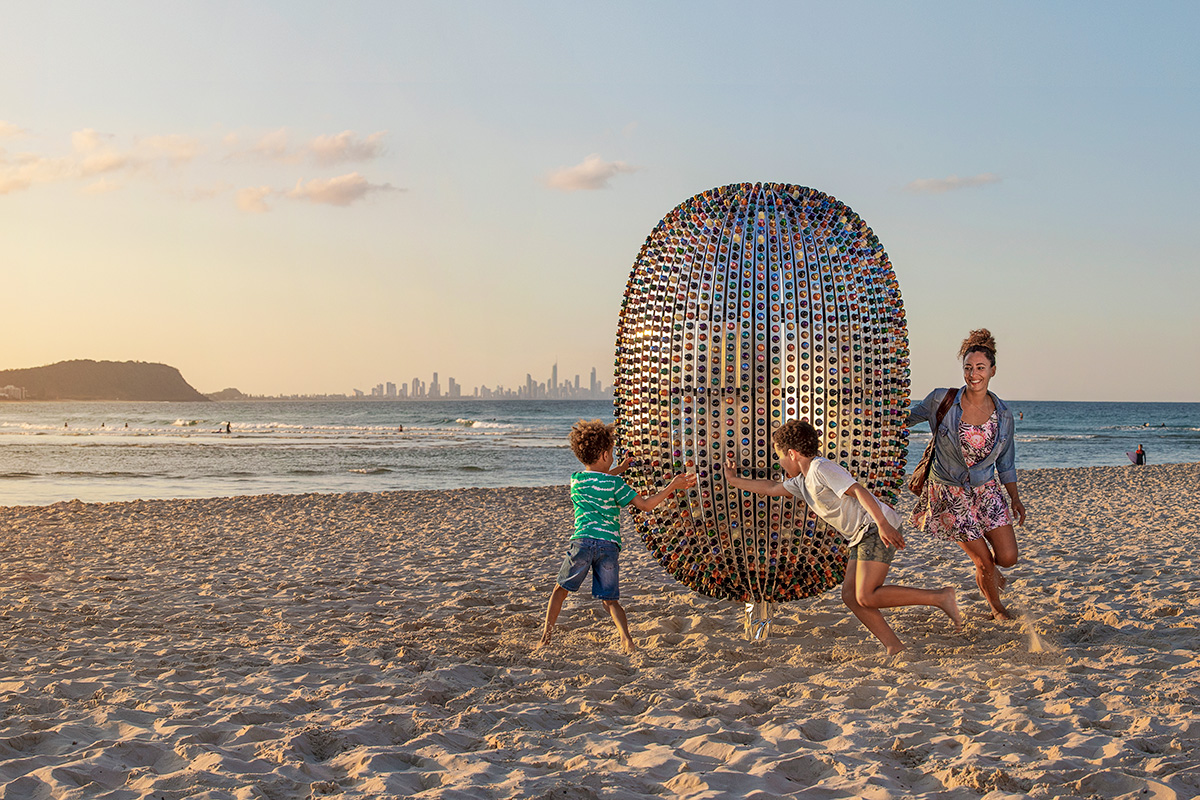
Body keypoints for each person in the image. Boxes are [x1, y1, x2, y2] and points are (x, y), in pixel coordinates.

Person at [722, 419, 961, 655]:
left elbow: (857, 490)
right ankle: (894, 646)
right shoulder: (801, 481)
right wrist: (733, 480)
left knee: (866, 595)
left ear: (792, 454)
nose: (781, 462)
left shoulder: (821, 468)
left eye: (780, 456)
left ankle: (940, 597)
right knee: (850, 596)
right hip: (860, 534)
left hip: (873, 528)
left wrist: (883, 525)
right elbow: (772, 488)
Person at [539, 419, 696, 654]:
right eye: (611, 453)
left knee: (560, 590)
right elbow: (645, 505)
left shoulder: (576, 481)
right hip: (608, 547)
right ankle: (627, 641)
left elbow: (598, 480)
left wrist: (618, 469)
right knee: (610, 600)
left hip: (582, 543)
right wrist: (672, 486)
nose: (612, 457)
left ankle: (545, 637)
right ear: (604, 454)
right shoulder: (615, 484)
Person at [907, 328, 1026, 621]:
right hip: (948, 492)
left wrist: (1015, 498)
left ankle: (989, 574)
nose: (974, 374)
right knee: (983, 561)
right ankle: (996, 609)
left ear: (993, 371)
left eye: (981, 368)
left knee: (1007, 558)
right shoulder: (941, 400)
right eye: (968, 368)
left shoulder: (1004, 414)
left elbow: (1006, 462)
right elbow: (904, 420)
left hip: (986, 489)